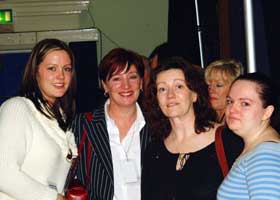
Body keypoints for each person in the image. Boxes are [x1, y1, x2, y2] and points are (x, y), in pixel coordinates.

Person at [141, 57, 243, 200]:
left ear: (194, 94)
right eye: (162, 89)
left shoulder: (228, 141)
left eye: (179, 86)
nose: (170, 95)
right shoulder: (153, 150)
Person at [0, 38, 77, 200]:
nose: (61, 76)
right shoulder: (18, 107)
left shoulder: (61, 117)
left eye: (67, 69)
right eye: (52, 68)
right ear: (36, 72)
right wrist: (54, 198)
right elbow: (3, 172)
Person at [72, 48, 151, 200]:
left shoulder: (157, 126)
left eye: (132, 77)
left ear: (141, 82)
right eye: (116, 79)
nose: (126, 86)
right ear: (105, 86)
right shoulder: (82, 125)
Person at [217, 72, 280, 200]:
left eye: (245, 103)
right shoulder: (258, 151)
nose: (232, 109)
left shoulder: (265, 155)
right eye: (230, 101)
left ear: (267, 112)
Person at [205, 58, 243, 123]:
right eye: (208, 85)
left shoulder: (237, 122)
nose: (211, 90)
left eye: (219, 85)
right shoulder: (205, 117)